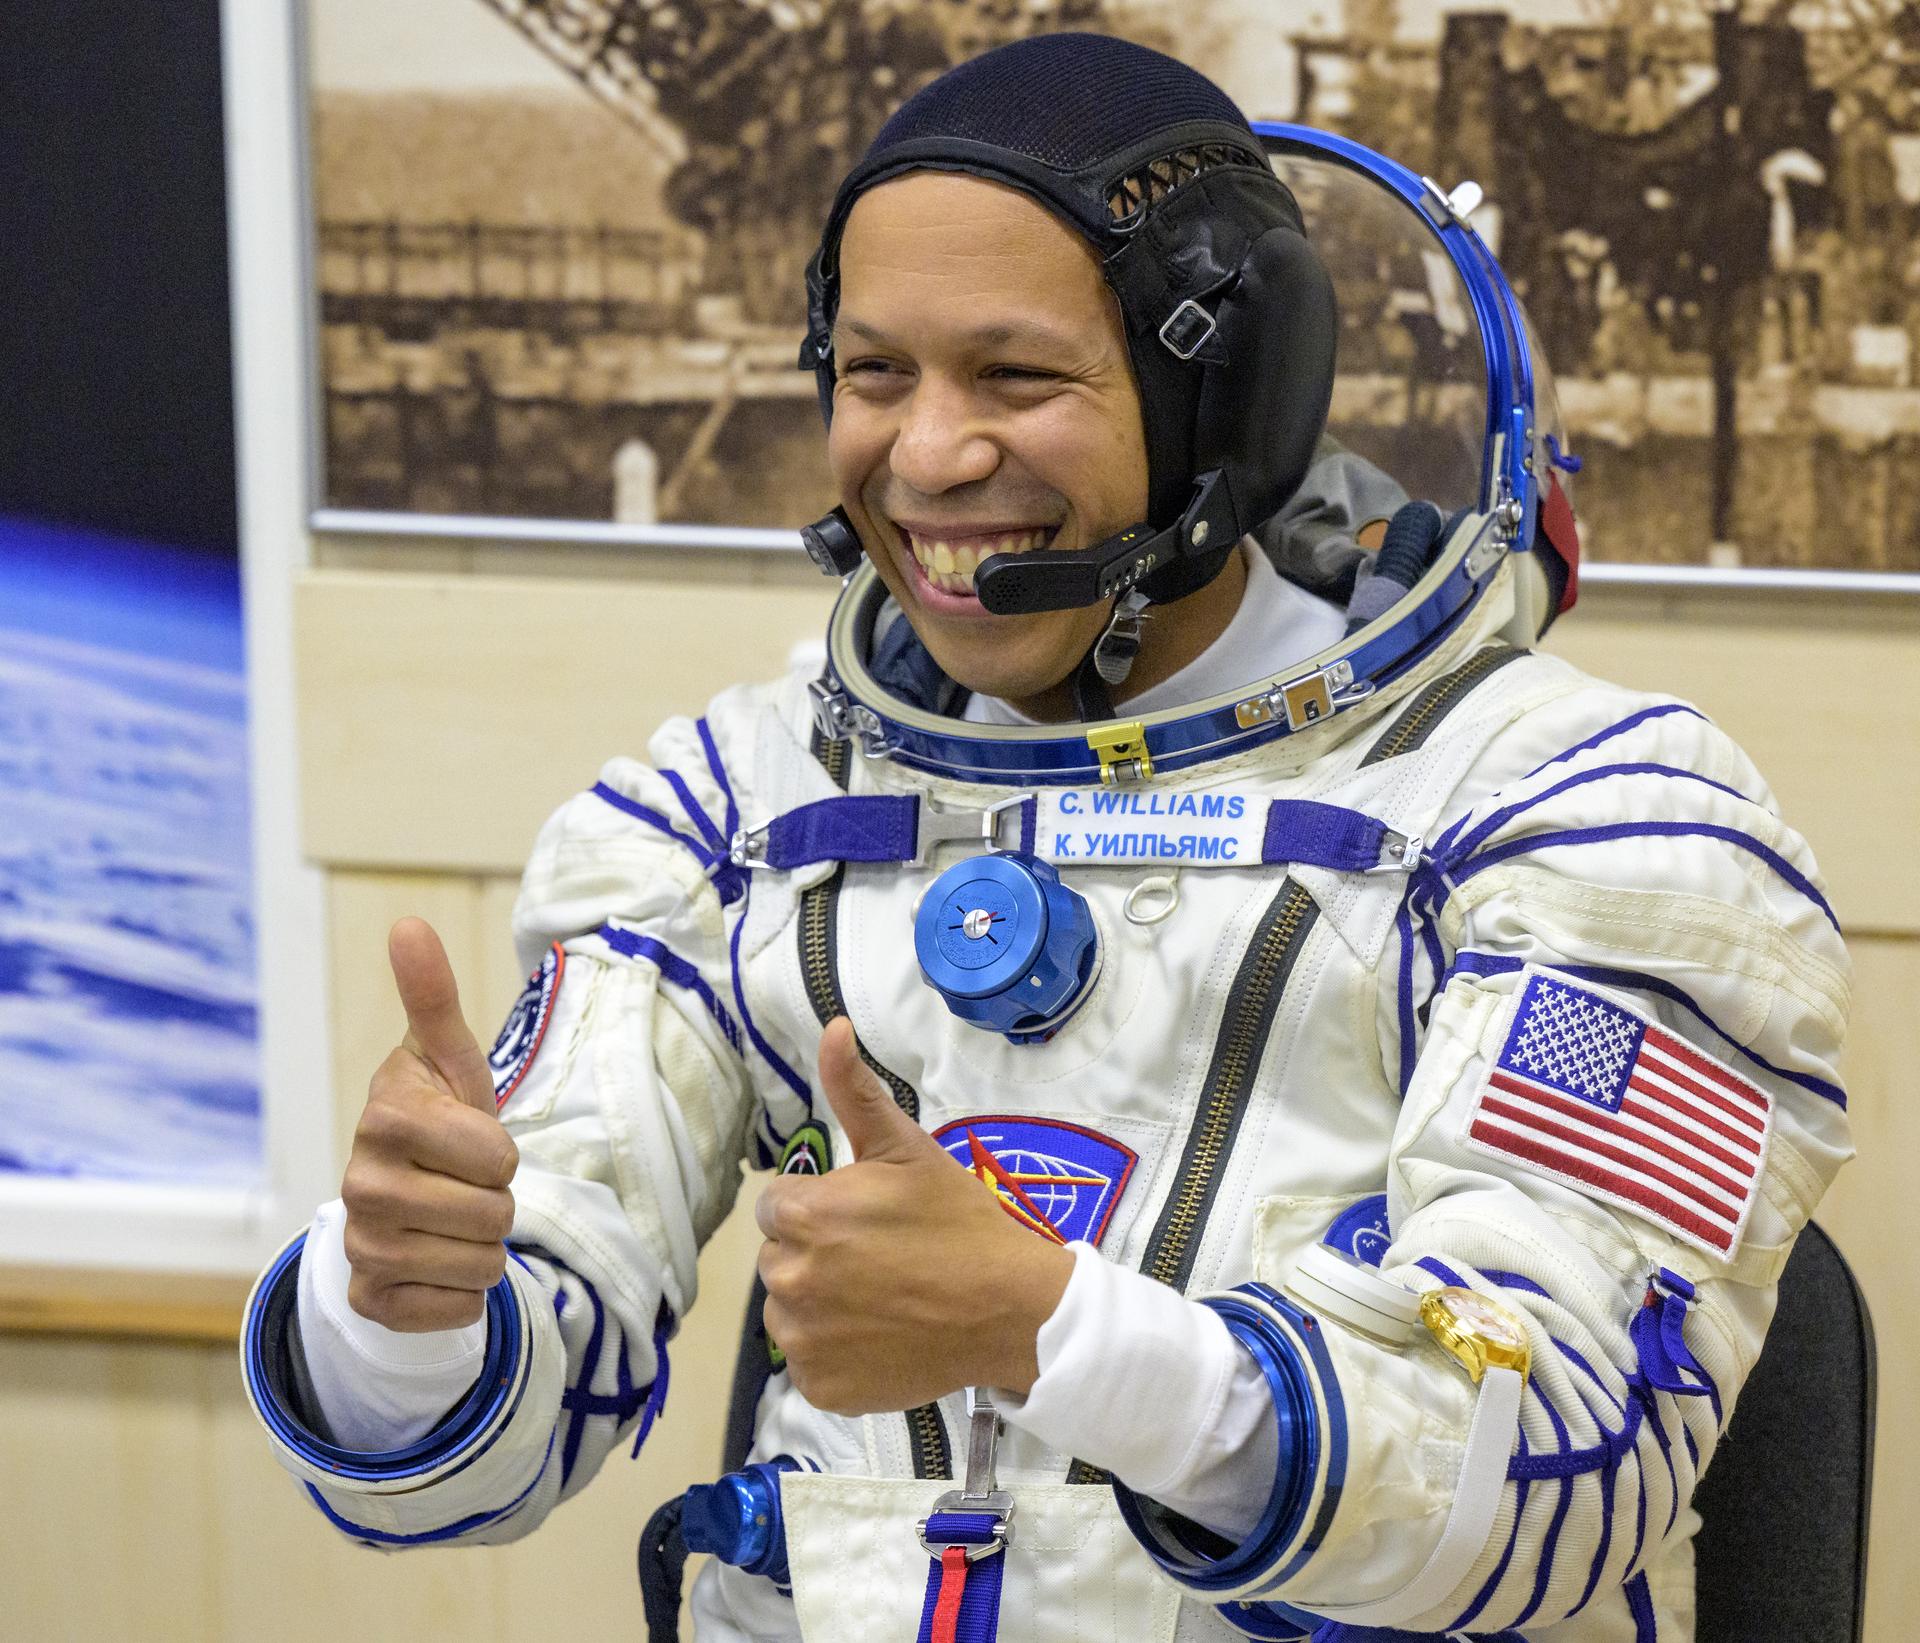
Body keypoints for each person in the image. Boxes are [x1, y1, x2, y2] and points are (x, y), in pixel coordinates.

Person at [240, 34, 1851, 1643]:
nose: (928, 457)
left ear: (1225, 392)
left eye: (1015, 379)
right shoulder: (729, 817)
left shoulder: (1581, 825)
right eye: (874, 373)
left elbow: (1560, 1470)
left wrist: (1054, 1333)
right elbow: (449, 1469)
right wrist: (403, 1304)